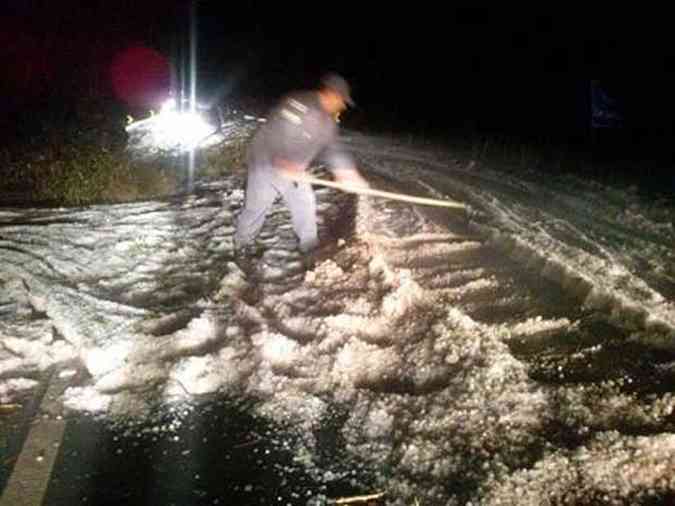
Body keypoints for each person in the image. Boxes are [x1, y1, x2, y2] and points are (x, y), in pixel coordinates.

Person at [234, 73, 368, 259]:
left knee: (305, 204)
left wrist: (347, 172)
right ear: (331, 94)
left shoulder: (328, 120)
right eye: (342, 101)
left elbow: (333, 147)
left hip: (294, 171)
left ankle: (309, 248)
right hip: (266, 163)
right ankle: (242, 245)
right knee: (256, 207)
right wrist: (284, 160)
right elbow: (277, 132)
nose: (343, 106)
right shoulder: (298, 103)